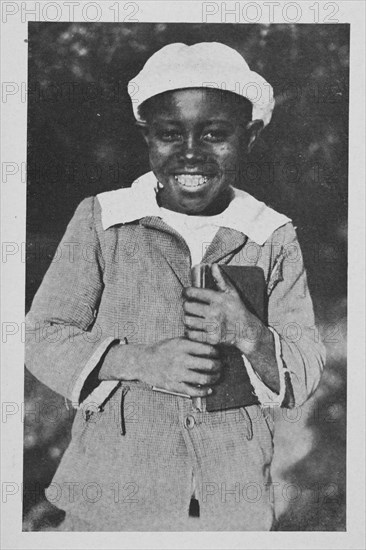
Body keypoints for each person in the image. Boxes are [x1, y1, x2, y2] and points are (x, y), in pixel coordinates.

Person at [25, 42, 325, 531]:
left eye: (215, 134)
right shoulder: (104, 220)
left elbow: (307, 362)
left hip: (229, 502)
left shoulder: (271, 234)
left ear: (249, 136)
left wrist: (250, 333)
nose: (190, 153)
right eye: (169, 134)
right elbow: (41, 332)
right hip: (111, 497)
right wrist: (139, 361)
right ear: (146, 135)